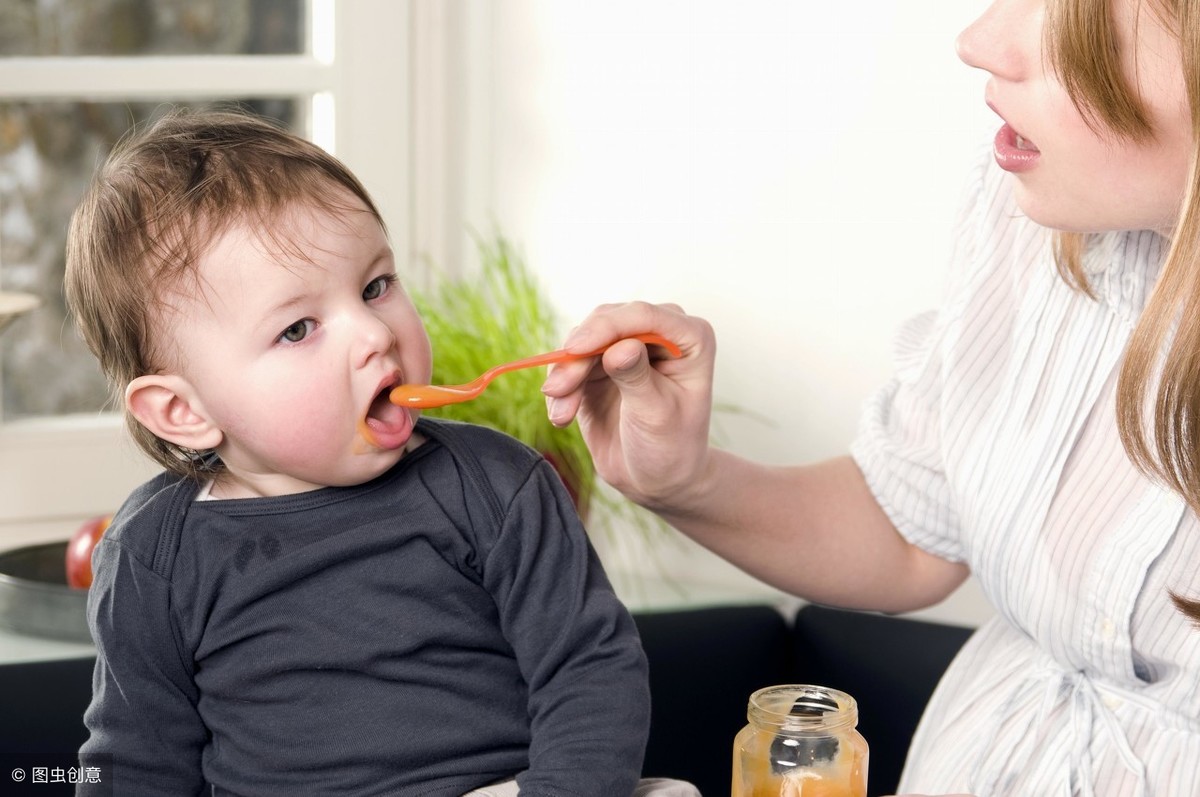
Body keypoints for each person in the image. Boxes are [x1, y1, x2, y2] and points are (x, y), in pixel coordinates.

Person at [541, 0, 1200, 795]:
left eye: (1073, 20)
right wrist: (684, 479)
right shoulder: (1033, 208)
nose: (978, 41)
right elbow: (914, 535)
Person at [64, 109, 697, 797]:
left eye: (375, 286)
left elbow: (591, 672)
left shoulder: (495, 485)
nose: (373, 332)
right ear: (185, 411)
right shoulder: (154, 554)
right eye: (299, 328)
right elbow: (133, 765)